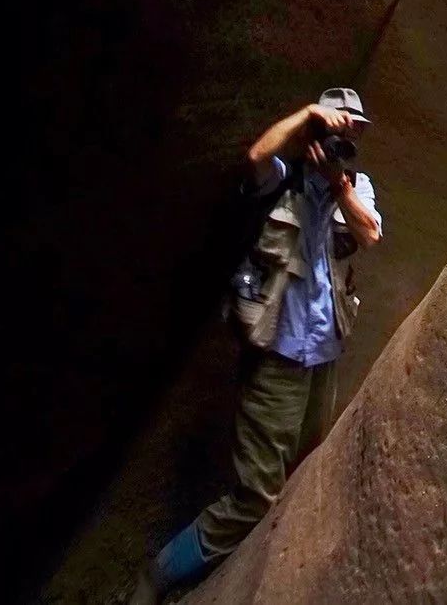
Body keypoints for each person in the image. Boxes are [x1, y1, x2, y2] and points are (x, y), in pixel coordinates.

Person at [133, 88, 382, 600]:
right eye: (337, 125)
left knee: (308, 470)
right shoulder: (281, 179)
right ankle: (157, 575)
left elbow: (371, 233)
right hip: (277, 357)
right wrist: (305, 119)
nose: (345, 135)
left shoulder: (355, 186)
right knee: (255, 496)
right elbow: (255, 156)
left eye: (353, 128)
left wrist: (339, 186)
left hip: (323, 358)